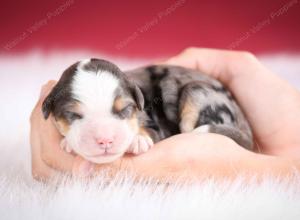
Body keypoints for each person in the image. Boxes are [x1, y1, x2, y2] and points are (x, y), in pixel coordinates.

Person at [30, 48, 300, 181]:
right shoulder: (123, 95)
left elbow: (149, 126)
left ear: (136, 101)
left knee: (196, 97)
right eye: (76, 117)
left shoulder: (141, 100)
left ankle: (219, 133)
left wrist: (142, 134)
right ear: (49, 110)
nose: (104, 137)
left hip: (205, 102)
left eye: (122, 112)